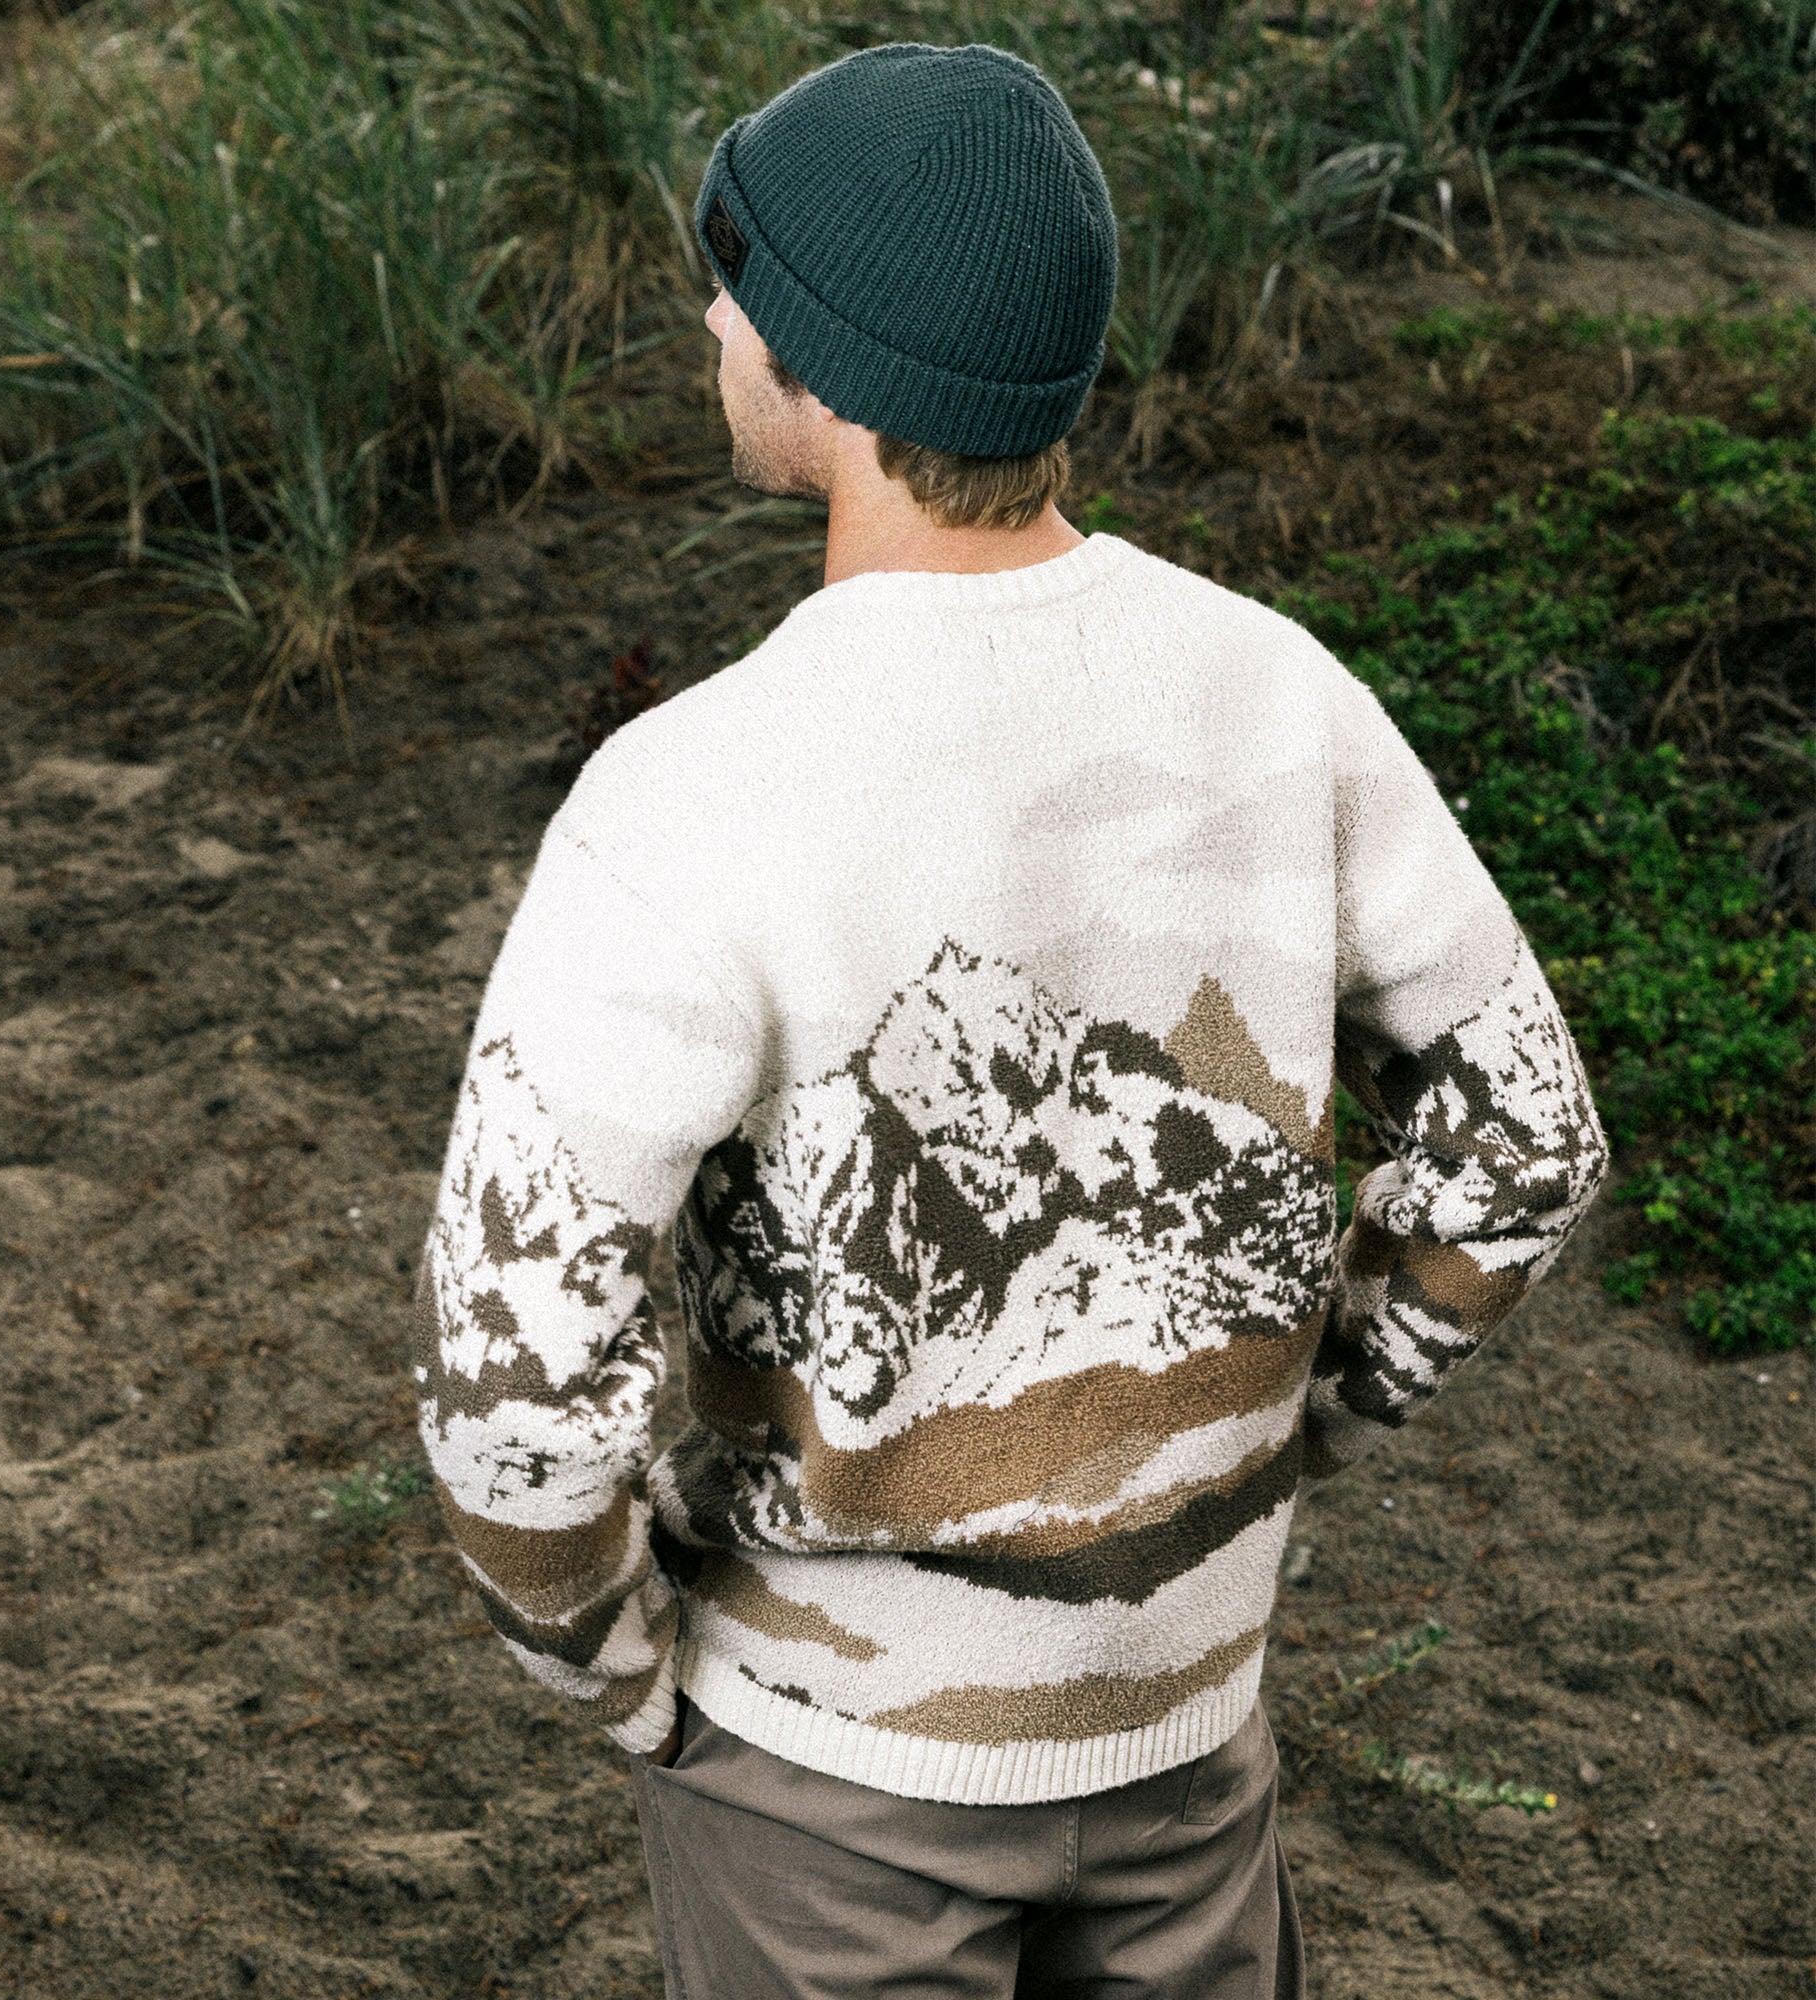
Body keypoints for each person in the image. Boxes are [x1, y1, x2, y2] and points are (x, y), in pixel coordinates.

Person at [411, 41, 1609, 1999]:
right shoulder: (1280, 691)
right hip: (1193, 1737)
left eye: (740, 281)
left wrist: (634, 1689)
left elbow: (512, 1411)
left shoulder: (683, 795)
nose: (712, 317)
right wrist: (1284, 1429)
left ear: (826, 366)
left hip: (819, 1784)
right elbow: (1529, 1143)